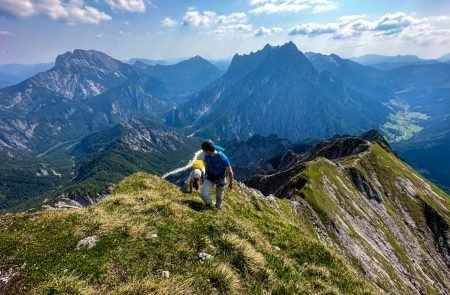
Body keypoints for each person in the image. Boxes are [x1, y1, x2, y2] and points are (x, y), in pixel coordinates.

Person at [200, 140, 234, 210]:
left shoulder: (222, 157)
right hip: (210, 176)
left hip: (220, 178)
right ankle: (209, 204)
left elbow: (230, 171)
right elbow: (206, 166)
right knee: (203, 193)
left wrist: (231, 183)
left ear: (208, 151)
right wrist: (204, 177)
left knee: (219, 197)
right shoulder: (207, 156)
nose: (203, 152)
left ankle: (218, 207)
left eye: (204, 150)